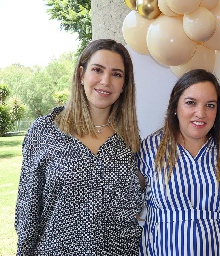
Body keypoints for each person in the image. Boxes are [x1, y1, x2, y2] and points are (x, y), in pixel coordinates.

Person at [15, 39, 143, 255]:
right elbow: (27, 212)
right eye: (97, 70)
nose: (106, 81)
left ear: (124, 85)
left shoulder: (129, 140)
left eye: (116, 74)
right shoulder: (45, 131)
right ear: (81, 75)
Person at [137, 69, 220, 255]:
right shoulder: (151, 148)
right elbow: (129, 204)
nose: (200, 113)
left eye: (210, 105)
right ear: (175, 106)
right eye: (191, 103)